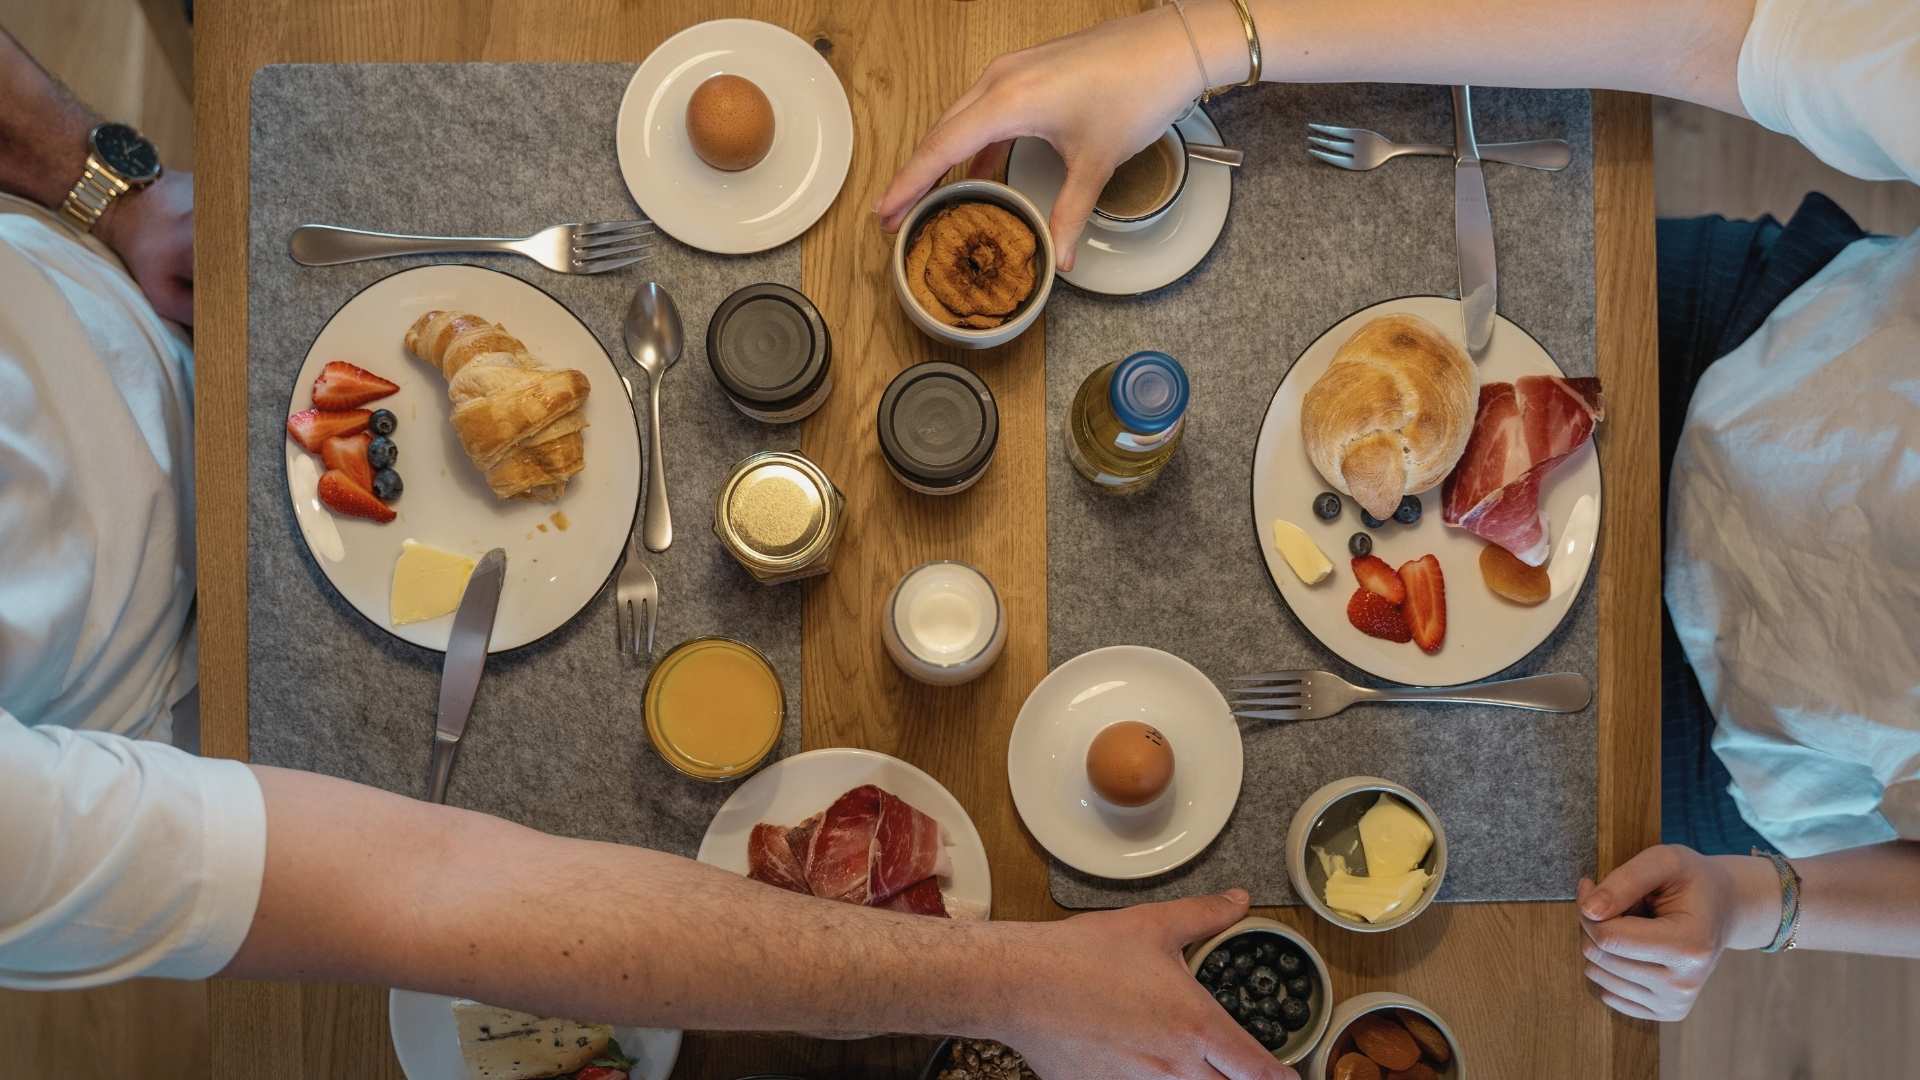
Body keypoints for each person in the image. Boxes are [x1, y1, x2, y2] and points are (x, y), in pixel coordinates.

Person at [0, 28, 1292, 1080]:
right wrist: (1023, 980)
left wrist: (86, 175)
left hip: (151, 311)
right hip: (172, 723)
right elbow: (429, 888)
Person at [877, 0, 1920, 1025]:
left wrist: (1760, 902)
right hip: (1731, 337)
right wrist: (1192, 39)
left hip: (1738, 749)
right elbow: (1717, 27)